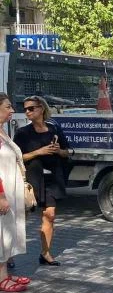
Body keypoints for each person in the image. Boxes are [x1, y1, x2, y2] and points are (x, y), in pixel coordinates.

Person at [13, 96, 69, 265]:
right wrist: (39, 152)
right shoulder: (23, 133)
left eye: (31, 108)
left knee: (50, 214)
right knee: (21, 218)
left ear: (41, 109)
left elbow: (67, 152)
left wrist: (59, 151)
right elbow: (18, 157)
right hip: (32, 179)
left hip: (52, 178)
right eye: (25, 109)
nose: (27, 112)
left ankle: (45, 253)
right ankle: (7, 255)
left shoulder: (54, 129)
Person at [0, 94, 28, 293]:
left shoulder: (3, 133)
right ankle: (2, 278)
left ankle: (5, 275)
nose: (12, 110)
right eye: (8, 107)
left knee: (8, 233)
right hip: (2, 193)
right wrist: (1, 196)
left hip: (10, 192)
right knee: (1, 234)